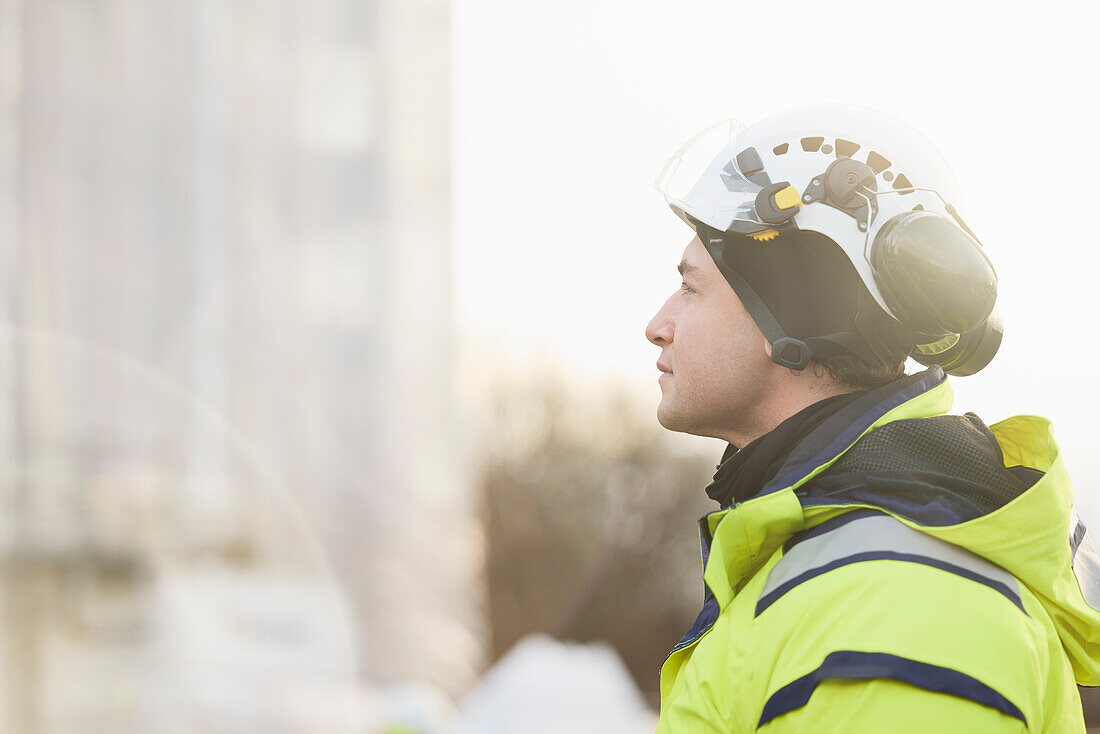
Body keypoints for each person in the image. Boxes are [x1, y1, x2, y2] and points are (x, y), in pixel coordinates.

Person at [644, 104, 1100, 733]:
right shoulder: (842, 571)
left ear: (789, 313)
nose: (656, 326)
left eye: (691, 288)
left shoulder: (892, 602)